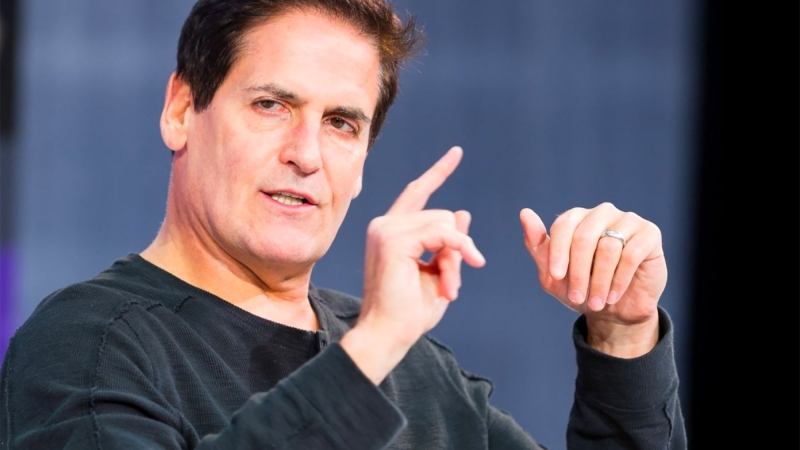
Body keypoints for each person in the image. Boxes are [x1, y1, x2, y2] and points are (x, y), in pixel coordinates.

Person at [0, 0, 686, 448]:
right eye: (271, 105)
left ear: (362, 163)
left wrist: (623, 334)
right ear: (182, 110)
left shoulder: (415, 368)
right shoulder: (92, 343)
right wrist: (374, 347)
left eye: (340, 123)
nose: (306, 154)